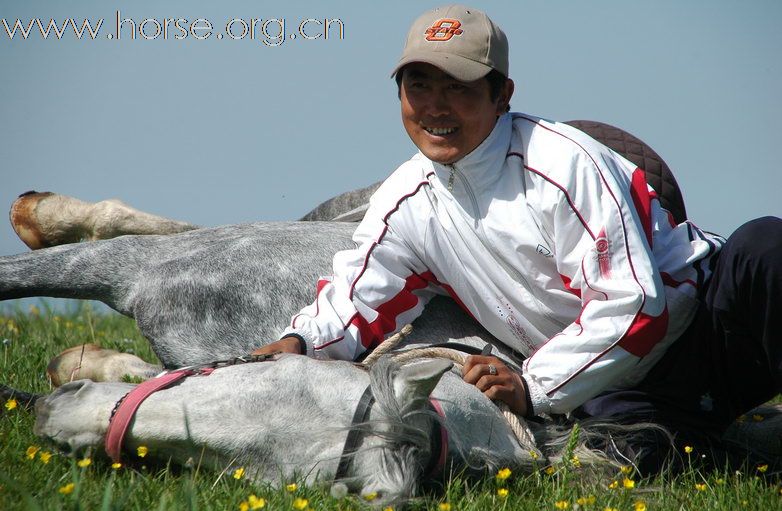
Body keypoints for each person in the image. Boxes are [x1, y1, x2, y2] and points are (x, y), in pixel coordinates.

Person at [252, 5, 781, 439]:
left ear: (502, 93)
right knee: (631, 455)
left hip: (713, 329)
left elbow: (637, 306)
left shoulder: (564, 164)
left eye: (457, 86)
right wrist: (298, 342)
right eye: (418, 85)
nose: (435, 107)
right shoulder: (405, 200)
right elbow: (357, 300)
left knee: (767, 245)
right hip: (617, 389)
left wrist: (533, 388)